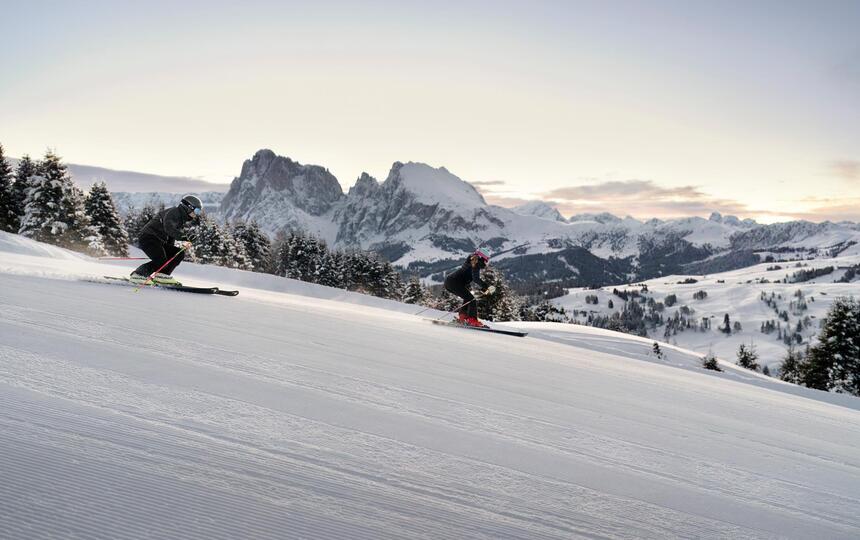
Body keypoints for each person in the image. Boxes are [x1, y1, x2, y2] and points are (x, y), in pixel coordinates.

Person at [130, 195, 202, 285]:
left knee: (177, 254)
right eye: (196, 211)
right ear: (188, 207)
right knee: (161, 261)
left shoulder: (180, 219)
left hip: (158, 240)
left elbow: (171, 236)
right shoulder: (174, 212)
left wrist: (170, 253)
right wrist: (185, 237)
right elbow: (169, 228)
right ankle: (138, 275)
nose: (197, 214)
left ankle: (161, 275)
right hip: (148, 237)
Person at [444, 249, 496, 327]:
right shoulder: (476, 262)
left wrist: (482, 288)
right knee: (472, 300)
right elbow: (475, 279)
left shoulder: (472, 260)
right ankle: (472, 320)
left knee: (468, 298)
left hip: (450, 281)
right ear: (481, 257)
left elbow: (467, 276)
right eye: (486, 260)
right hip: (454, 282)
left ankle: (463, 317)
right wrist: (486, 287)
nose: (486, 263)